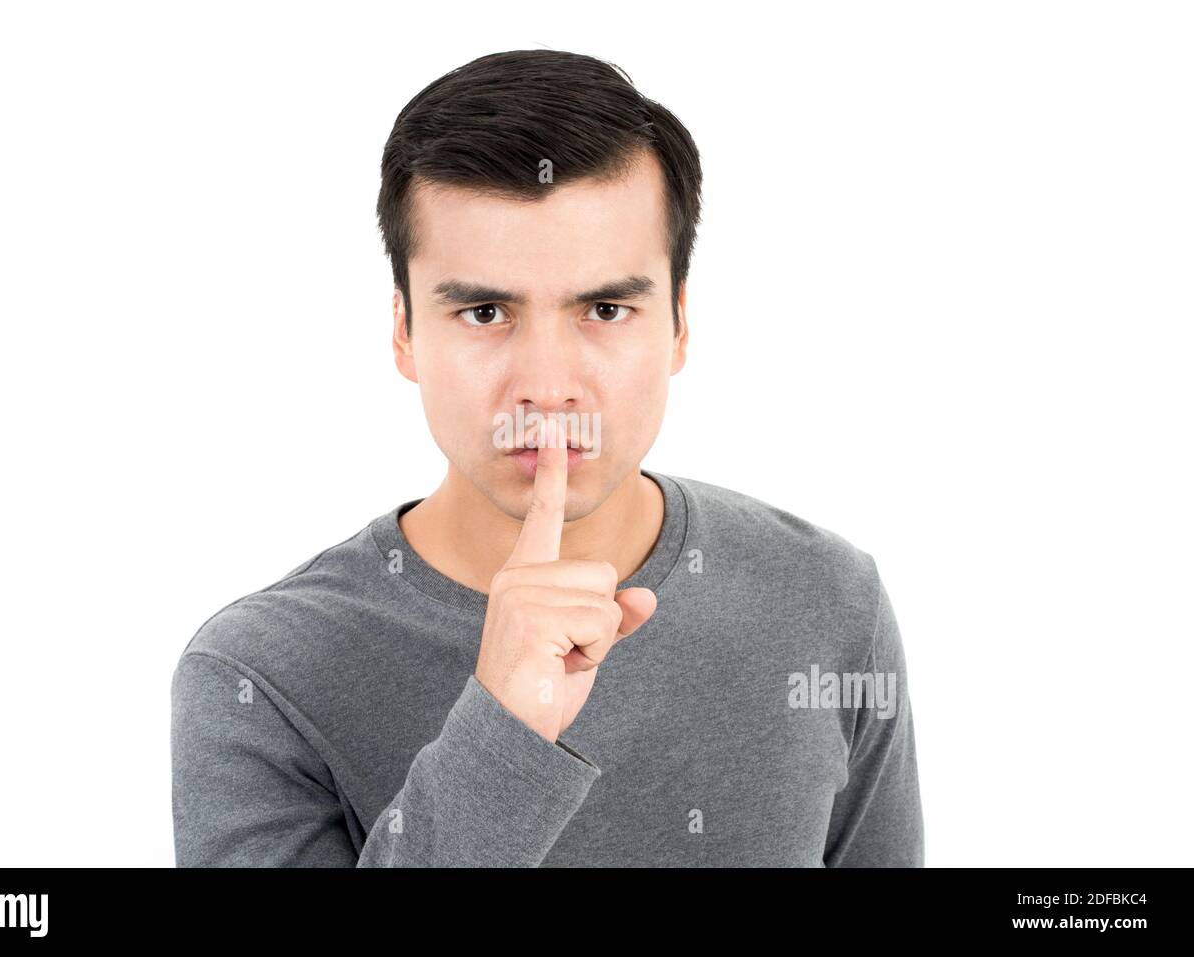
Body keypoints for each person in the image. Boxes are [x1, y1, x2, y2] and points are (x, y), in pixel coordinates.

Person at [170, 49, 924, 867]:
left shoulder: (829, 601)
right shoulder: (255, 675)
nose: (548, 386)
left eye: (606, 307)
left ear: (676, 324)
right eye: (485, 311)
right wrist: (502, 729)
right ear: (404, 331)